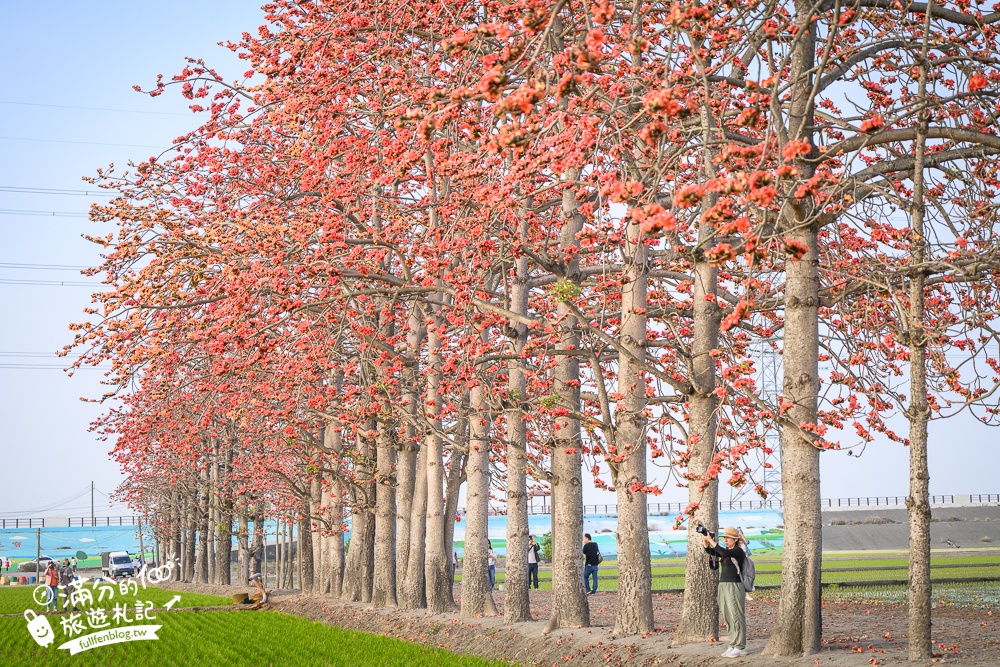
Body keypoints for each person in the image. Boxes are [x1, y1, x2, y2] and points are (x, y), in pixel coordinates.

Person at [703, 526, 748, 658]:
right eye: (724, 538)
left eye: (728, 538)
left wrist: (711, 540)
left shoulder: (738, 551)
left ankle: (741, 646)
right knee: (728, 616)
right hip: (723, 585)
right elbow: (710, 551)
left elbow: (725, 553)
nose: (726, 540)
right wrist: (705, 540)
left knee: (736, 616)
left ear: (735, 539)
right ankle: (733, 643)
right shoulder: (725, 551)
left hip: (734, 585)